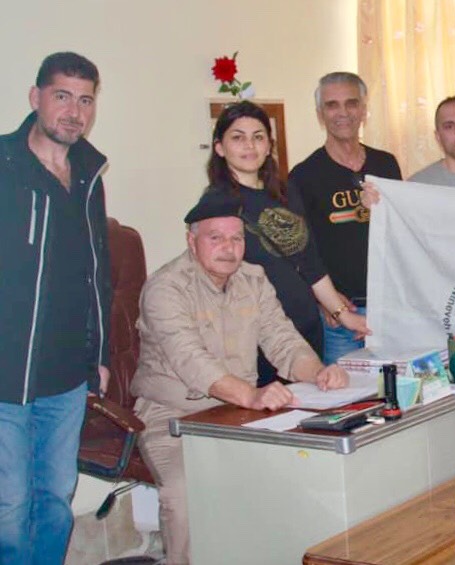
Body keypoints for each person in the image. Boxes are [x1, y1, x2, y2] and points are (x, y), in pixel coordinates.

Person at [131, 191, 350, 564]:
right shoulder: (165, 288)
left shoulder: (253, 278)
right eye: (215, 238)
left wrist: (318, 372)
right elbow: (191, 361)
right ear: (191, 241)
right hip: (174, 415)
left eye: (236, 238)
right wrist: (251, 395)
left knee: (297, 475)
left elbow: (282, 339)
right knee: (184, 494)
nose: (228, 248)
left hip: (238, 414)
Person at [0, 52, 111, 565]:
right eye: (62, 96)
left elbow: (98, 271)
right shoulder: (5, 166)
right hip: (7, 376)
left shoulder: (89, 173)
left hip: (66, 378)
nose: (74, 111)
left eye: (85, 100)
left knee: (55, 501)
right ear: (35, 98)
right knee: (9, 507)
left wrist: (100, 354)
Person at [206, 100, 368, 386]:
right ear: (220, 147)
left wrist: (343, 315)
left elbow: (309, 261)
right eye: (238, 137)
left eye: (258, 137)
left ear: (269, 145)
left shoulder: (285, 192)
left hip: (305, 331)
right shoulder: (216, 205)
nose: (249, 146)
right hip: (256, 338)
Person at [289, 71, 402, 364]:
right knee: (346, 390)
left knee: (399, 388)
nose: (343, 113)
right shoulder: (303, 175)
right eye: (332, 105)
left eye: (351, 103)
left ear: (363, 109)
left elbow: (402, 232)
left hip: (390, 308)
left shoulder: (386, 164)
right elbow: (300, 252)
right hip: (340, 317)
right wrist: (324, 301)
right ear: (320, 114)